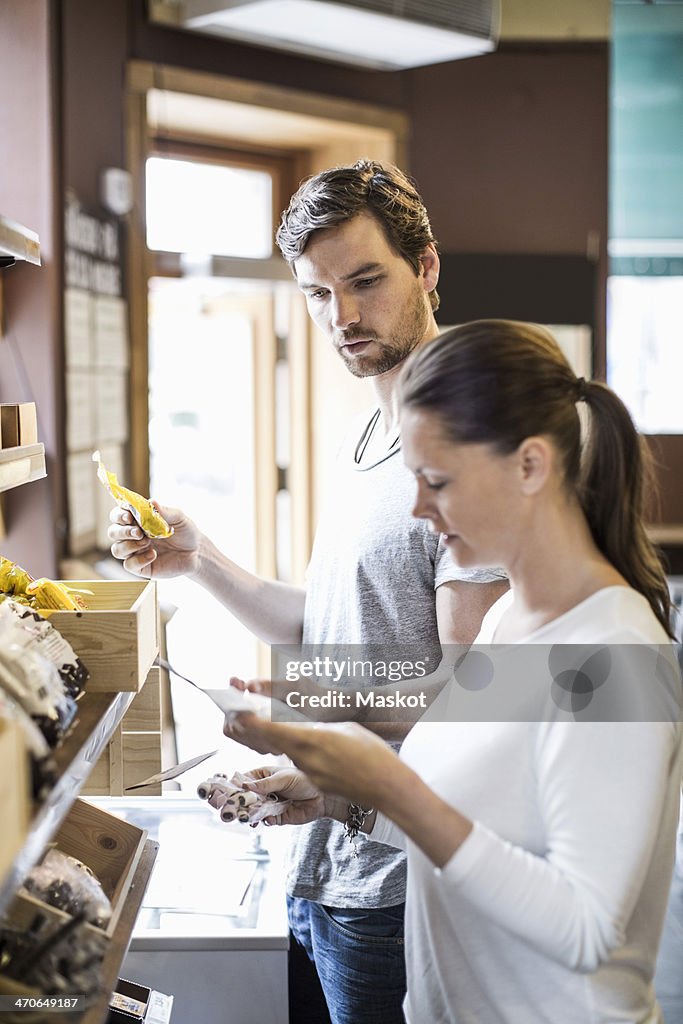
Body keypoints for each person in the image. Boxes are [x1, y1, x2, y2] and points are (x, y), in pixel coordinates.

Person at [108, 161, 507, 1024]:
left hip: (405, 887)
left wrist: (317, 760)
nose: (345, 317)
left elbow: (470, 695)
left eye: (366, 281)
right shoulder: (370, 429)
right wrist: (199, 560)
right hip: (326, 862)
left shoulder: (469, 437)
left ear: (427, 266)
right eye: (317, 295)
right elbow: (334, 627)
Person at [224, 319, 683, 1024]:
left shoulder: (611, 653)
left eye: (437, 481)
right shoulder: (507, 623)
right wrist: (344, 799)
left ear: (530, 466)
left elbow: (585, 928)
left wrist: (391, 786)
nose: (418, 508)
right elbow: (485, 827)